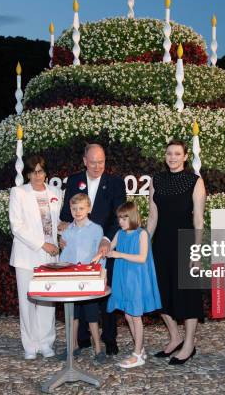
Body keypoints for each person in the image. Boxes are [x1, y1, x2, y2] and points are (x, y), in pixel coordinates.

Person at [59, 144, 126, 355]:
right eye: (93, 162)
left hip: (104, 247)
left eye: (102, 161)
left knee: (105, 295)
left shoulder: (116, 183)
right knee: (77, 296)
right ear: (84, 161)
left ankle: (109, 339)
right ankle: (81, 340)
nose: (98, 166)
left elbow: (118, 216)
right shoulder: (73, 181)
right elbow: (66, 214)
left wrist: (106, 239)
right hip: (77, 249)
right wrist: (63, 235)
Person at [147, 140, 206, 365]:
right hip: (161, 243)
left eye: (177, 154)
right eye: (169, 153)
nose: (172, 157)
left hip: (185, 242)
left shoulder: (195, 181)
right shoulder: (157, 180)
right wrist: (143, 244)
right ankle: (175, 338)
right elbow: (153, 217)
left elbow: (198, 220)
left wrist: (196, 253)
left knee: (187, 296)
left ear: (185, 156)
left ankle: (189, 344)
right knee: (160, 293)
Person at [9, 155, 62, 360]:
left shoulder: (56, 192)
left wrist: (62, 236)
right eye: (33, 172)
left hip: (51, 256)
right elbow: (17, 226)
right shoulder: (18, 193)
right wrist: (42, 244)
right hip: (26, 256)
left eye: (40, 171)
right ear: (27, 174)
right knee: (28, 301)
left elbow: (58, 223)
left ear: (46, 172)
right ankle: (30, 345)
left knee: (48, 301)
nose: (37, 175)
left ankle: (46, 342)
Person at [101, 201, 161, 368]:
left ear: (133, 217)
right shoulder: (120, 233)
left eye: (124, 218)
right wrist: (101, 253)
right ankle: (140, 349)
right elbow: (108, 248)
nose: (121, 221)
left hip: (136, 279)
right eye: (119, 218)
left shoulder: (142, 234)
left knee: (135, 316)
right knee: (128, 315)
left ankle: (137, 354)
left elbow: (142, 258)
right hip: (123, 278)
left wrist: (118, 254)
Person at [60, 193, 105, 362]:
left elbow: (100, 254)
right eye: (74, 209)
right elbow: (63, 254)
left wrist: (99, 275)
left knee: (92, 315)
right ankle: (73, 346)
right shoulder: (67, 231)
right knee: (72, 315)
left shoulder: (96, 229)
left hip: (89, 278)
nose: (77, 212)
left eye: (81, 208)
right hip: (70, 278)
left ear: (89, 209)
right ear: (70, 210)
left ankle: (98, 348)